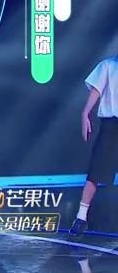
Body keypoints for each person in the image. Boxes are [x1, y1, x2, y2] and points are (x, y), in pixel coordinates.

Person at [69, 55, 118, 237]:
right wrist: (85, 113)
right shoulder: (108, 65)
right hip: (111, 125)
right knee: (96, 171)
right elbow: (96, 89)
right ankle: (81, 218)